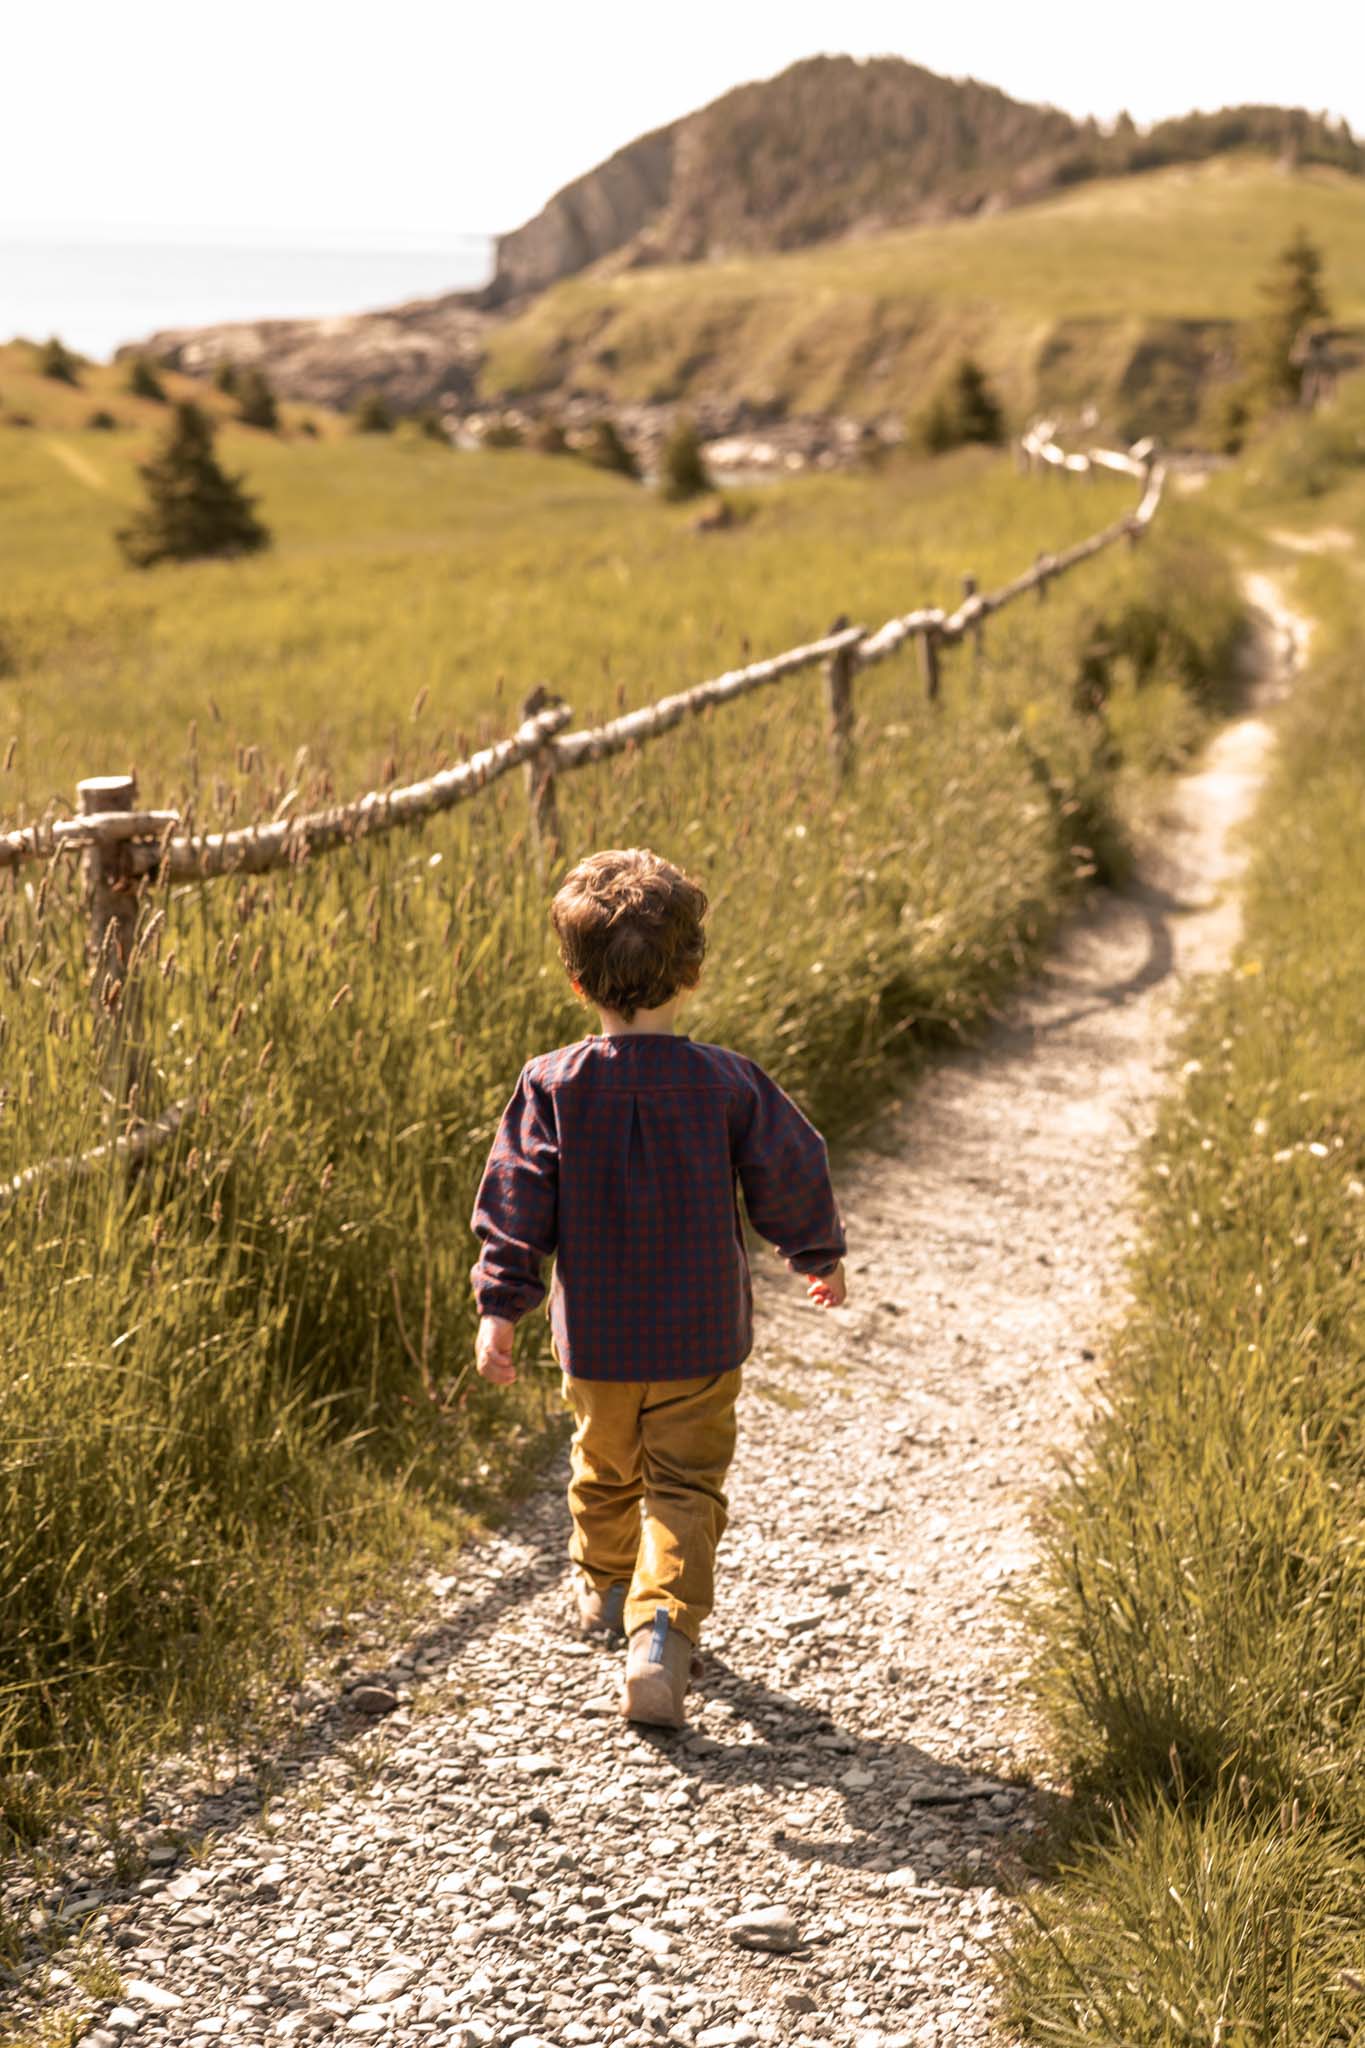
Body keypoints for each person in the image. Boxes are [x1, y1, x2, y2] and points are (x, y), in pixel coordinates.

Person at [469, 847, 848, 1728]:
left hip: (595, 1342)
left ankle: (604, 1588)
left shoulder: (550, 1085)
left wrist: (500, 1307)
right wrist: (816, 1253)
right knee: (683, 1487)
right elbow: (791, 1169)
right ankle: (657, 1638)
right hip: (701, 1338)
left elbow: (515, 1200)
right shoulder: (727, 1081)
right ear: (693, 972)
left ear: (575, 981)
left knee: (603, 1464)